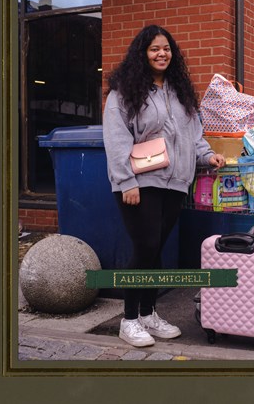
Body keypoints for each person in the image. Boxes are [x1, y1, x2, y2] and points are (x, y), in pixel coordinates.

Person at [103, 24, 225, 348]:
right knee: (144, 247)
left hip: (176, 183)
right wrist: (126, 181)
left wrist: (208, 156)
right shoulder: (125, 92)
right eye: (155, 49)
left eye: (167, 49)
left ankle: (147, 314)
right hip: (140, 182)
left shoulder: (180, 91)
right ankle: (128, 320)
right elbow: (116, 138)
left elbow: (194, 136)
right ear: (142, 54)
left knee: (155, 250)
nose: (162, 54)